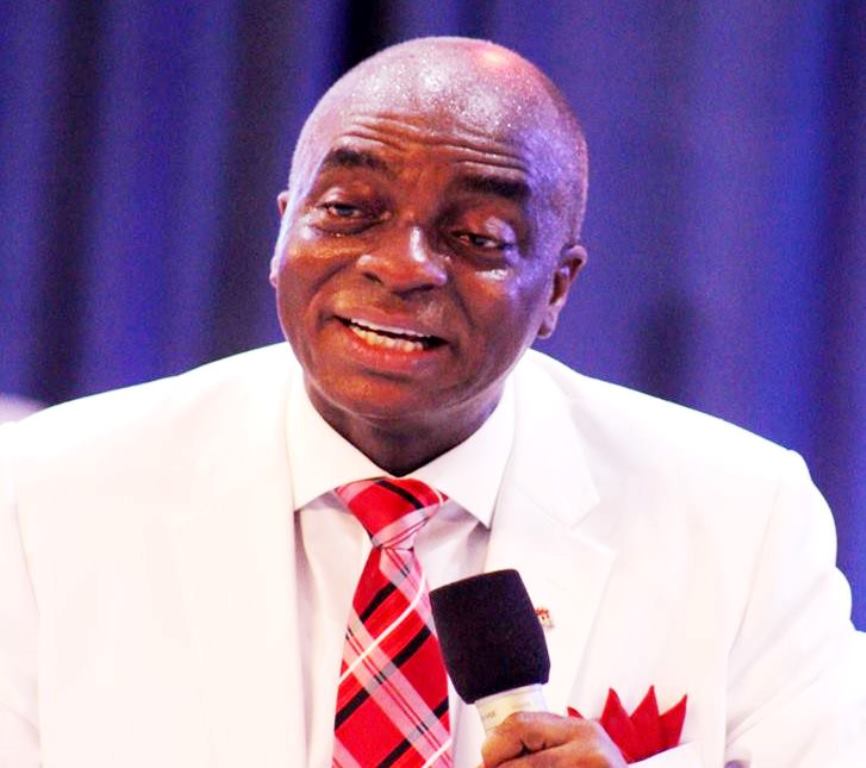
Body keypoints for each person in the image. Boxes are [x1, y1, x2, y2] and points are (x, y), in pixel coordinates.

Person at [0, 37, 863, 768]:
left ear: (557, 288)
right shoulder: (47, 493)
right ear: (283, 230)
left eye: (477, 236)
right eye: (348, 209)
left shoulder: (740, 517)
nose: (402, 265)